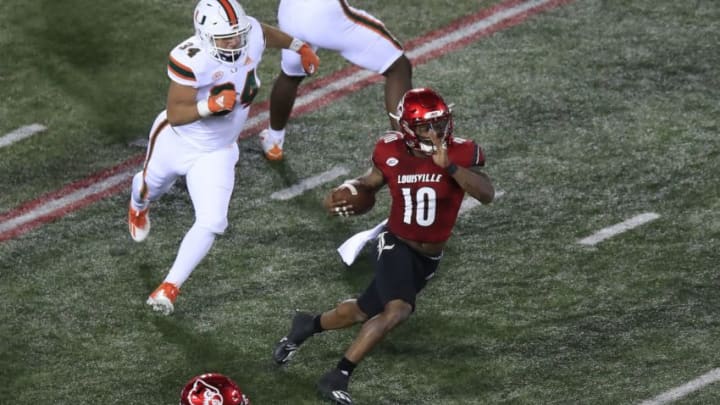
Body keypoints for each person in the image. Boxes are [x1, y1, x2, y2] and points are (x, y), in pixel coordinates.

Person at [272, 88, 495, 404]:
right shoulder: (390, 151)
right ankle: (338, 376)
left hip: (428, 258)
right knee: (397, 310)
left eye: (440, 123)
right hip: (396, 244)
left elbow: (487, 194)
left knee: (364, 310)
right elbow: (369, 183)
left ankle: (306, 326)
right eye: (425, 127)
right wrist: (350, 190)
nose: (435, 132)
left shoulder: (461, 153)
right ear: (407, 128)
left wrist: (451, 168)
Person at [127, 0, 319, 315]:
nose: (234, 43)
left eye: (237, 35)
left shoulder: (250, 34)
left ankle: (169, 287)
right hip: (177, 141)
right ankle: (138, 205)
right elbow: (176, 113)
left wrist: (299, 47)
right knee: (150, 188)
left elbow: (264, 33)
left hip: (218, 150)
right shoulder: (191, 59)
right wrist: (210, 106)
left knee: (214, 221)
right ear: (203, 35)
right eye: (225, 38)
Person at [258, 0, 413, 161]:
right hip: (324, 13)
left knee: (291, 74)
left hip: (290, 12)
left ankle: (274, 141)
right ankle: (410, 149)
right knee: (398, 66)